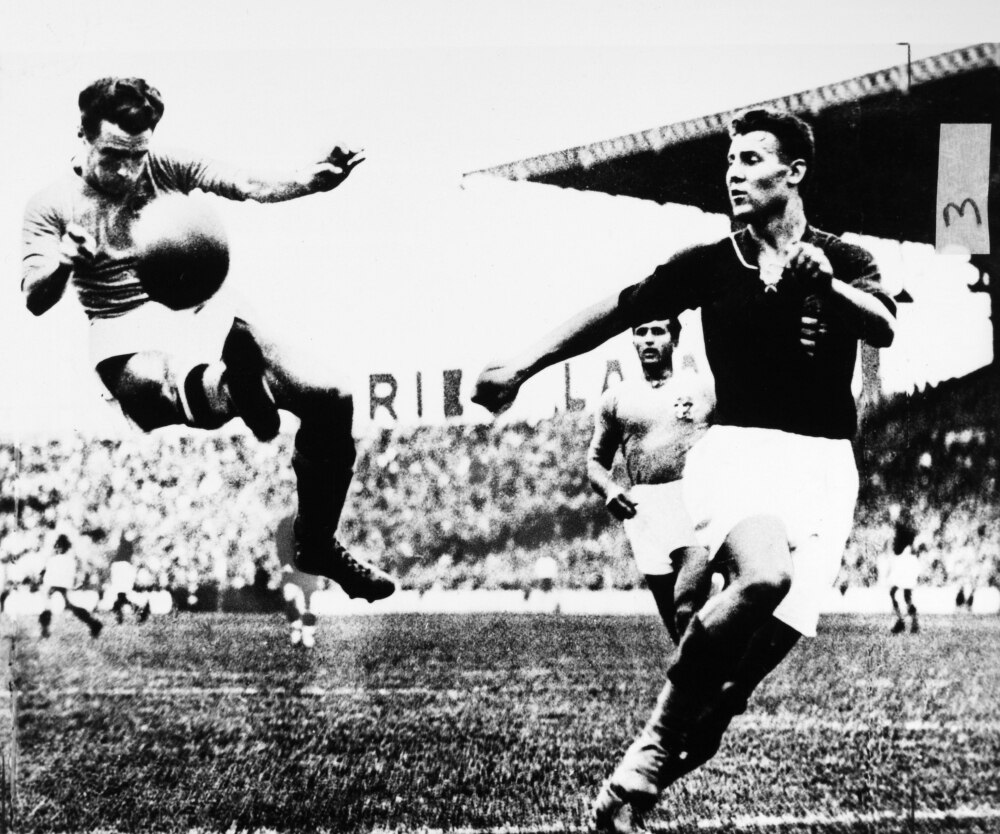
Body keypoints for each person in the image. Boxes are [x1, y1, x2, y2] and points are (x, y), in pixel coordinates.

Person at [473, 108, 896, 832]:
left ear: (794, 172)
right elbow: (618, 309)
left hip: (827, 469)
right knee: (763, 576)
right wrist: (521, 364)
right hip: (740, 454)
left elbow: (882, 324)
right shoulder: (711, 262)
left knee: (726, 699)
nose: (734, 173)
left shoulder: (844, 257)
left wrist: (826, 287)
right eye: (730, 161)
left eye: (751, 159)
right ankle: (652, 745)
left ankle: (626, 795)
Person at [22, 77, 396, 603]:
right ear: (82, 136)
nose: (128, 171)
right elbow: (34, 296)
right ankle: (237, 387)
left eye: (137, 156)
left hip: (201, 309)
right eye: (113, 156)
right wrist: (64, 261)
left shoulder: (164, 166)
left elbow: (243, 181)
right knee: (158, 383)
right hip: (123, 328)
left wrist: (308, 181)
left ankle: (317, 543)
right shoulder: (50, 204)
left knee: (332, 396)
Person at [587, 318, 714, 643]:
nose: (648, 339)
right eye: (640, 332)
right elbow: (595, 463)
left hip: (693, 502)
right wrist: (610, 488)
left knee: (687, 609)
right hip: (645, 510)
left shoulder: (703, 389)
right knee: (678, 628)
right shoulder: (616, 398)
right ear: (632, 340)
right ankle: (712, 676)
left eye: (657, 331)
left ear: (675, 339)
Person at [40, 532, 103, 640]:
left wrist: (49, 588)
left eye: (58, 546)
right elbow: (72, 579)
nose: (57, 548)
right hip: (63, 589)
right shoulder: (70, 560)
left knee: (49, 607)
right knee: (71, 608)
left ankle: (45, 629)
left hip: (56, 588)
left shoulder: (53, 559)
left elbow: (47, 577)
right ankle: (94, 624)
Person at [886, 505, 920, 634]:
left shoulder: (902, 527)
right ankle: (910, 622)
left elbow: (905, 545)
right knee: (903, 595)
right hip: (904, 561)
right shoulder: (904, 528)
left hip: (905, 562)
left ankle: (905, 622)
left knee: (899, 594)